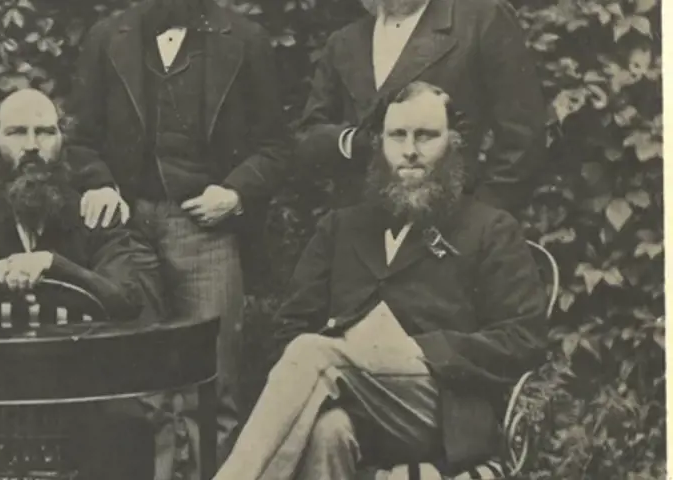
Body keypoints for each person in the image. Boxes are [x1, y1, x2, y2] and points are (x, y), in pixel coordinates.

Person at [213, 82, 549, 479]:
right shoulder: (341, 227)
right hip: (355, 405)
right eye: (398, 136)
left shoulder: (489, 228)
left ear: (453, 143)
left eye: (426, 136)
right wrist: (351, 351)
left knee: (312, 354)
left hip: (443, 410)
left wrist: (422, 351)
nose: (410, 150)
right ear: (380, 144)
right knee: (327, 430)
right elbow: (290, 327)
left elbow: (524, 339)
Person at [66, 0, 290, 477]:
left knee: (212, 384)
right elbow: (80, 139)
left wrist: (235, 192)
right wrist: (100, 183)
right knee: (140, 387)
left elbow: (275, 147)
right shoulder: (107, 37)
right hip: (127, 232)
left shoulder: (245, 40)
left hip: (206, 229)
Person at [0, 89, 162, 480]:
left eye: (46, 132)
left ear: (62, 142)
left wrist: (55, 265)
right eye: (17, 132)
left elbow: (126, 298)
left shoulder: (91, 218)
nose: (33, 147)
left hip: (76, 395)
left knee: (128, 426)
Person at [296, 0, 545, 213]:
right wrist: (355, 141)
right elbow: (308, 138)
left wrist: (478, 223)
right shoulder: (344, 41)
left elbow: (522, 140)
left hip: (450, 229)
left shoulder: (481, 19)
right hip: (360, 235)